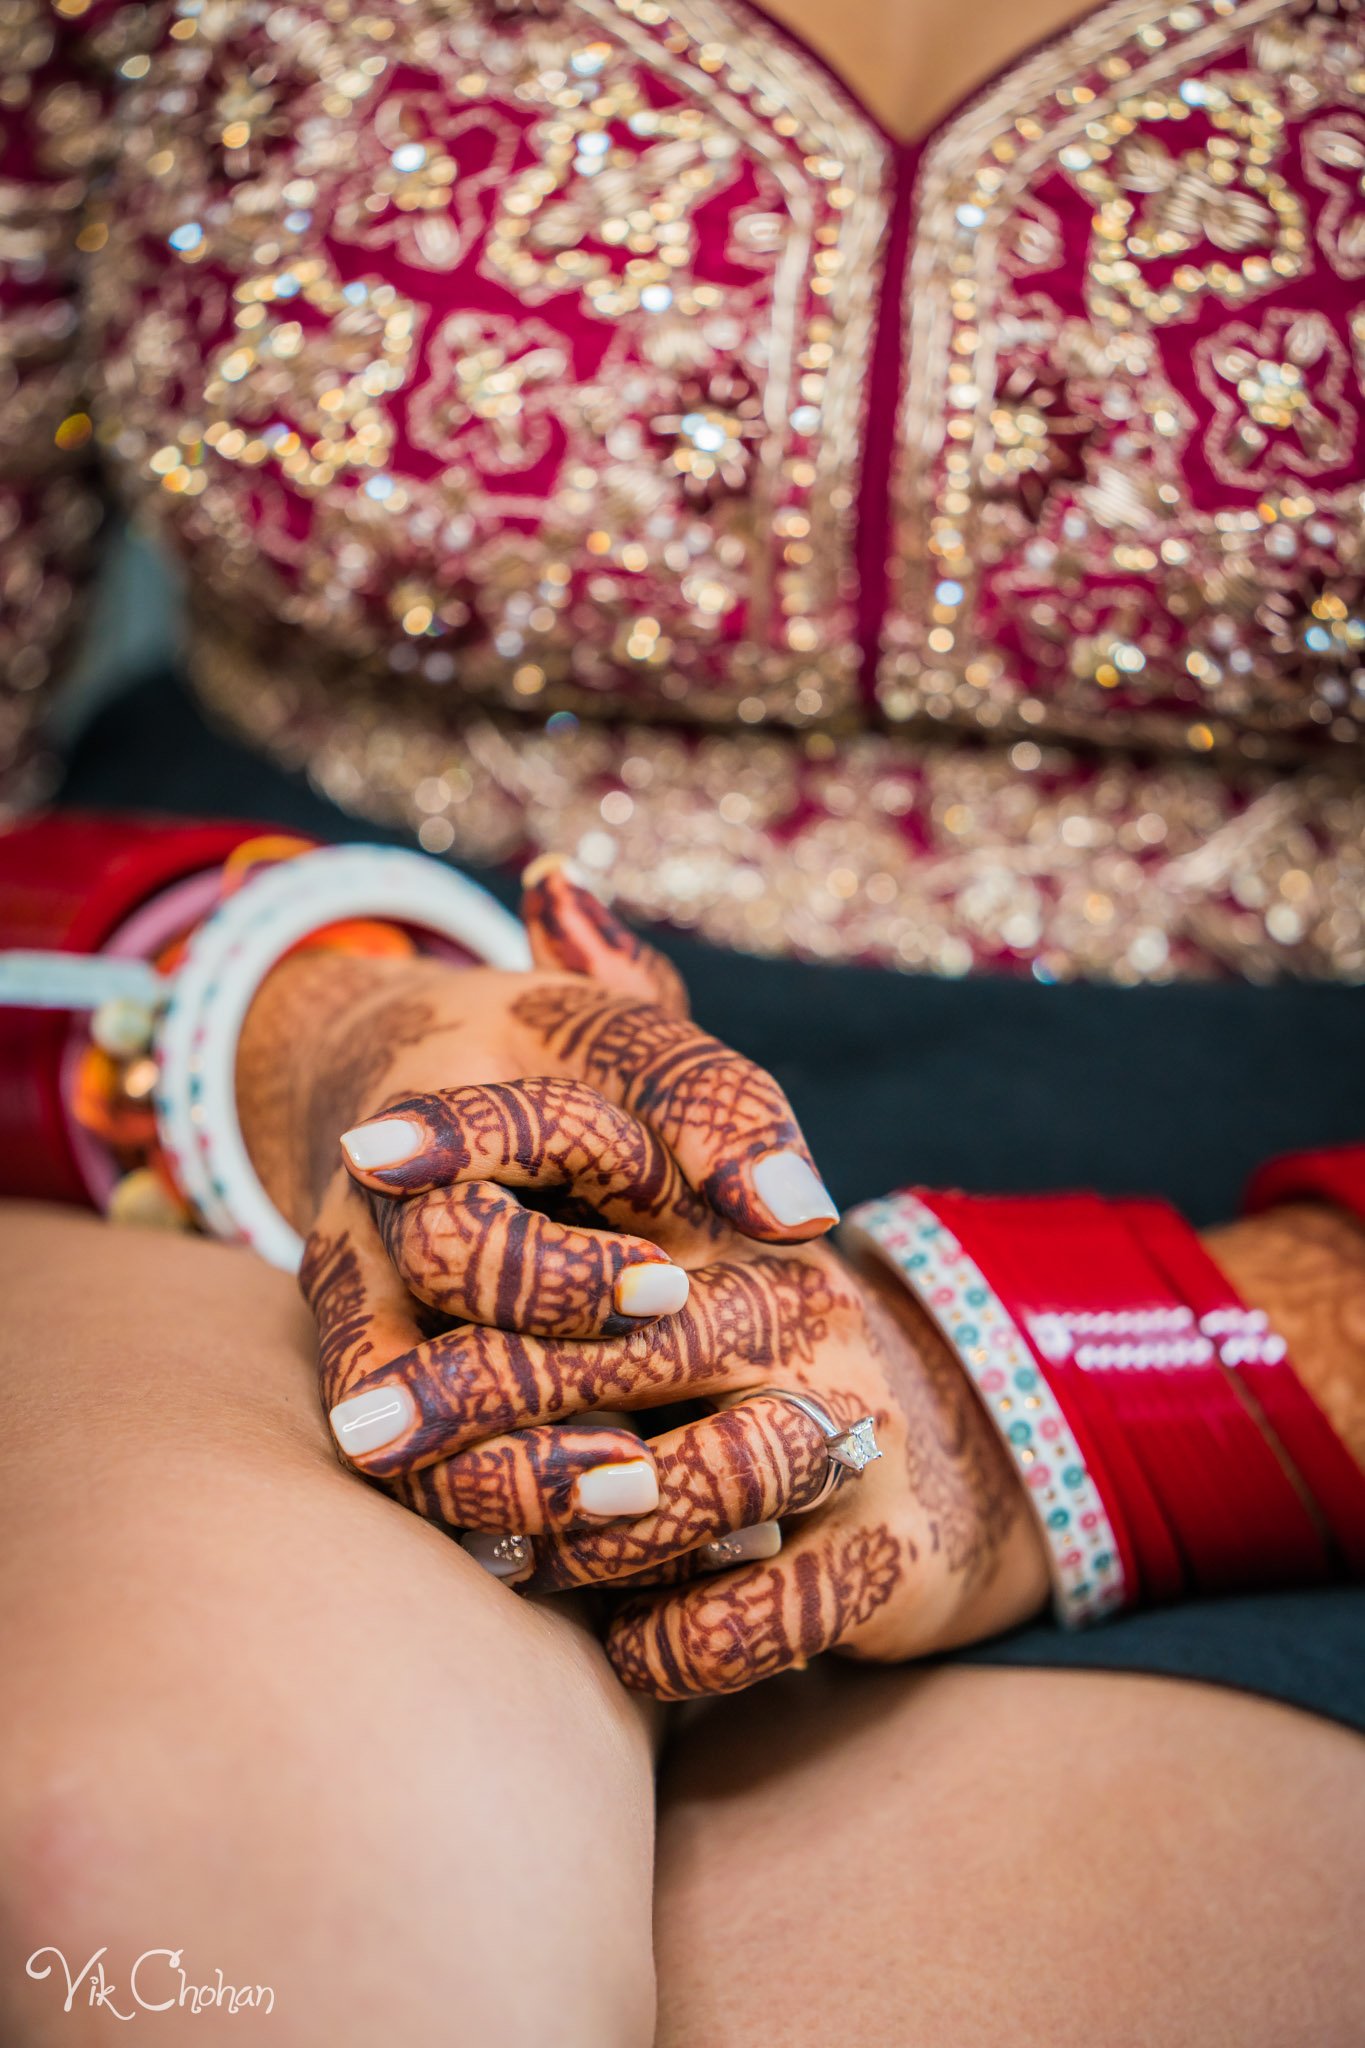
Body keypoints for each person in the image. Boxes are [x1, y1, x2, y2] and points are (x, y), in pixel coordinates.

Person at [2, 0, 1364, 2040]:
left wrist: (1071, 1394)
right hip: (311, 1089)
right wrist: (308, 1036)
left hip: (1278, 1262)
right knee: (233, 1905)